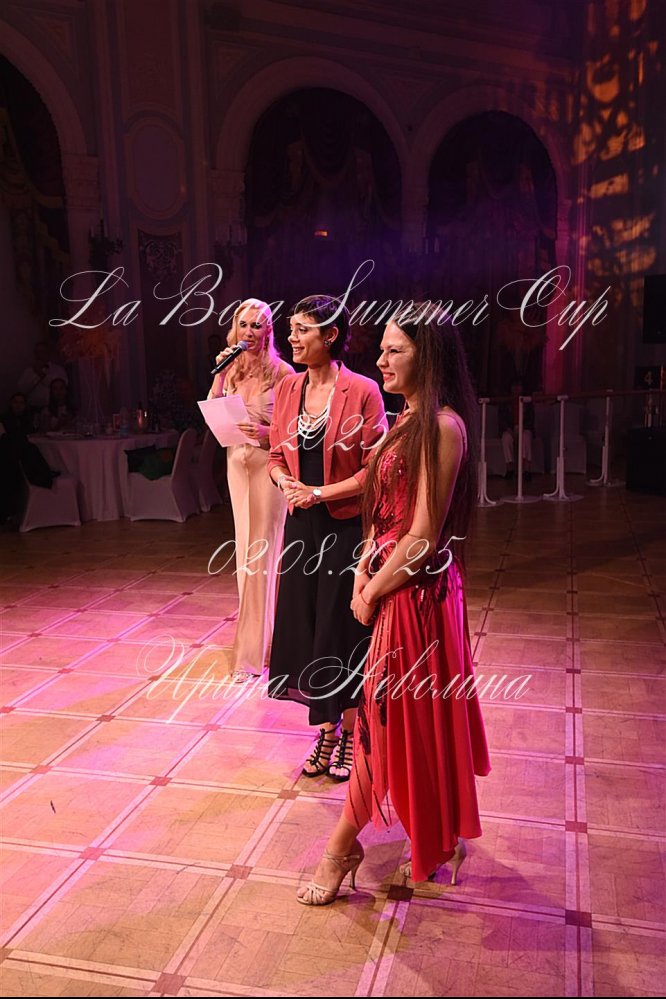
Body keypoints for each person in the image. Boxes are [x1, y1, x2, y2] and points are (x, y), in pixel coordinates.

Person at [296, 302, 491, 905]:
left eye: (393, 349)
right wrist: (362, 572)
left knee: (384, 721)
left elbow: (423, 535)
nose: (379, 359)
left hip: (417, 597)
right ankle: (431, 837)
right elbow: (381, 516)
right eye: (380, 348)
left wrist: (374, 587)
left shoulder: (443, 426)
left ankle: (341, 847)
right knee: (398, 721)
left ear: (426, 356)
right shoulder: (406, 420)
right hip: (390, 586)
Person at [267, 295, 387, 782]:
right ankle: (327, 731)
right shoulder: (288, 388)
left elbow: (374, 469)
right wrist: (287, 484)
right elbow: (275, 457)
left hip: (343, 526)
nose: (292, 338)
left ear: (330, 335)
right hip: (301, 526)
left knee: (341, 631)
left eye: (302, 330)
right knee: (307, 627)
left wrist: (318, 492)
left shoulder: (364, 391)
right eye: (291, 329)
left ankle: (352, 734)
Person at [208, 299, 293, 683]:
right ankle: (265, 642)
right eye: (243, 325)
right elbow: (213, 411)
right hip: (236, 465)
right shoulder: (232, 370)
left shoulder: (283, 374)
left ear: (268, 331)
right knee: (246, 558)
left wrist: (265, 433)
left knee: (262, 557)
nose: (249, 332)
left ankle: (251, 655)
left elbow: (297, 432)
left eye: (257, 326)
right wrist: (219, 375)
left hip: (266, 467)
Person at [499, 378, 535, 482]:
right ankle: (509, 468)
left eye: (518, 386)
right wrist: (508, 429)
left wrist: (523, 427)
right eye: (514, 386)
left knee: (526, 437)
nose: (516, 389)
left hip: (524, 427)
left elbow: (531, 419)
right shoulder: (505, 402)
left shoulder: (528, 402)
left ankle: (526, 469)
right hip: (510, 428)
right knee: (506, 438)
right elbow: (501, 419)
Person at [17, 342, 68, 411]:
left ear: (48, 353)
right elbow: (22, 390)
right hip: (33, 409)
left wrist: (41, 374)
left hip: (54, 409)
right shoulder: (28, 371)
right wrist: (35, 377)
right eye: (37, 352)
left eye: (42, 351)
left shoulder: (58, 370)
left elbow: (61, 387)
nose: (39, 355)